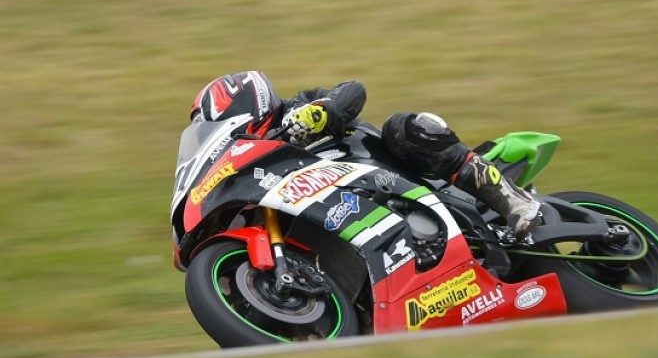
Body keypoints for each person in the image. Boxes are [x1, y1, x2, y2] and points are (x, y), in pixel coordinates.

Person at [189, 71, 540, 238]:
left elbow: (353, 90)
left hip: (393, 174)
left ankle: (511, 199)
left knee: (404, 126)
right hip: (343, 218)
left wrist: (320, 112)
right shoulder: (254, 168)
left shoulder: (296, 107)